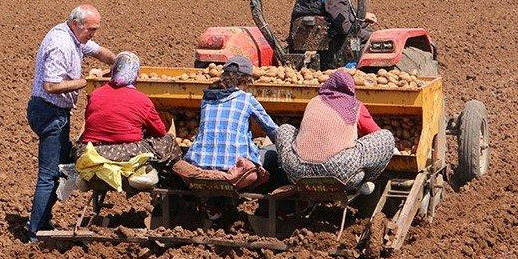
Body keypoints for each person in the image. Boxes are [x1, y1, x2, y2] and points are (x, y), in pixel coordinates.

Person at [26, 4, 116, 242]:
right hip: (48, 111)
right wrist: (84, 82)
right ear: (76, 24)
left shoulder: (75, 37)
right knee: (49, 174)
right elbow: (51, 86)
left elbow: (98, 51)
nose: (93, 34)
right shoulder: (60, 44)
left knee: (63, 165)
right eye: (91, 29)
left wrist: (119, 64)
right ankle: (36, 232)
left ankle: (41, 220)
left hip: (57, 112)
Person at [275, 69, 395, 194]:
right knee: (386, 137)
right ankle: (368, 181)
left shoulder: (313, 101)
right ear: (351, 89)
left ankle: (282, 173)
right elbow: (374, 132)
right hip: (338, 176)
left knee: (284, 129)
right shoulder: (355, 105)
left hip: (297, 173)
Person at [175, 55, 280, 189]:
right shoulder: (246, 99)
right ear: (246, 80)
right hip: (235, 172)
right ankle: (263, 205)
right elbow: (272, 130)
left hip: (199, 166)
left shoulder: (206, 98)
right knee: (272, 152)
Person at [76, 51, 179, 166]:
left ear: (113, 71)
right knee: (168, 142)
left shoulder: (95, 94)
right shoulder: (142, 100)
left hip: (90, 151)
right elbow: (160, 131)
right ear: (136, 75)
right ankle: (168, 179)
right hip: (122, 153)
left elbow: (90, 121)